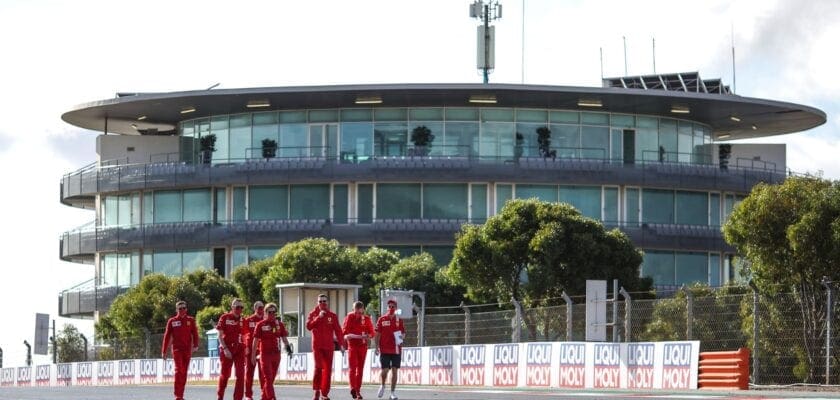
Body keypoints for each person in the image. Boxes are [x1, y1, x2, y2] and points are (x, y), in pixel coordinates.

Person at [306, 294, 346, 400]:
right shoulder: (313, 313)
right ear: (317, 303)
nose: (322, 303)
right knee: (318, 367)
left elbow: (338, 330)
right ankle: (316, 391)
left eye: (324, 301)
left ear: (327, 302)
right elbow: (309, 327)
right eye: (320, 301)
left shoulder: (332, 315)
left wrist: (342, 344)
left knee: (328, 370)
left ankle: (324, 393)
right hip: (317, 346)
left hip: (328, 346)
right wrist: (318, 318)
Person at [250, 302, 293, 400]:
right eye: (269, 312)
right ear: (265, 313)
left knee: (271, 380)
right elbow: (255, 341)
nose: (272, 314)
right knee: (268, 379)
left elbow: (284, 338)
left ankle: (264, 398)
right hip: (265, 355)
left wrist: (288, 348)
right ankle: (272, 397)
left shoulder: (279, 324)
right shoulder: (260, 325)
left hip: (276, 355)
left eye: (274, 312)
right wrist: (253, 355)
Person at [161, 300, 199, 400]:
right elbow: (167, 336)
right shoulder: (172, 321)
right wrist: (164, 351)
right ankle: (177, 396)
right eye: (180, 308)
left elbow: (195, 333)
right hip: (177, 350)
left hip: (187, 350)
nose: (182, 310)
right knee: (179, 370)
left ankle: (181, 395)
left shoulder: (191, 320)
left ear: (186, 309)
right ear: (176, 310)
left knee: (184, 372)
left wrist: (196, 345)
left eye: (184, 308)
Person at [342, 301, 375, 400]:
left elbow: (372, 333)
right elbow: (344, 332)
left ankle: (358, 391)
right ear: (353, 310)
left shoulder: (367, 319)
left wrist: (368, 335)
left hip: (362, 346)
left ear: (363, 311)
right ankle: (352, 388)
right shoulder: (349, 317)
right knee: (353, 368)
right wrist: (346, 337)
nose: (358, 315)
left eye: (360, 313)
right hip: (352, 346)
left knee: (360, 369)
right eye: (356, 313)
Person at [374, 299, 405, 400]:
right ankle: (382, 385)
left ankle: (392, 393)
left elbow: (403, 333)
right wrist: (376, 346)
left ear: (396, 308)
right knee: (385, 370)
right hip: (385, 349)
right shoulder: (382, 319)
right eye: (389, 306)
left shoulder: (399, 320)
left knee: (395, 370)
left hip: (396, 349)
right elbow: (377, 334)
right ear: (387, 308)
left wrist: (401, 338)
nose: (391, 308)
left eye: (393, 307)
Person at [216, 298, 246, 400]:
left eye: (241, 307)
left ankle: (238, 398)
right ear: (232, 307)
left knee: (241, 376)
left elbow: (245, 336)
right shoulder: (224, 317)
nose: (239, 309)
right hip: (226, 349)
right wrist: (225, 349)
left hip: (239, 350)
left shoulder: (243, 320)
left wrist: (246, 349)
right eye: (237, 307)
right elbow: (219, 336)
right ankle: (220, 397)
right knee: (225, 375)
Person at [242, 301, 266, 400]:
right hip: (250, 350)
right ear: (255, 309)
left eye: (263, 308)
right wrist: (246, 347)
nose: (261, 310)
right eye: (260, 308)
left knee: (263, 373)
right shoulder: (249, 320)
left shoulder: (266, 320)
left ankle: (264, 393)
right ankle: (248, 395)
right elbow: (243, 334)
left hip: (262, 350)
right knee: (249, 373)